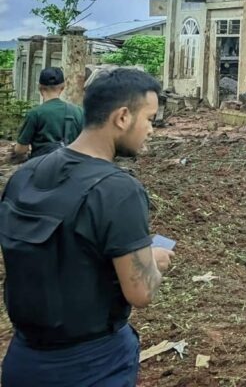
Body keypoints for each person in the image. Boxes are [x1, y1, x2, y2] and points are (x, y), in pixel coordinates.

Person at [0, 68, 174, 386]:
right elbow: (141, 291)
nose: (152, 130)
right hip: (92, 363)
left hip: (23, 359)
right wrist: (154, 259)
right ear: (122, 117)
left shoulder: (26, 175)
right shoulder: (118, 190)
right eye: (149, 119)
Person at [12, 67, 84, 160]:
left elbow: (20, 150)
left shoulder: (34, 114)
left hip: (42, 169)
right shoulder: (79, 111)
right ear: (63, 87)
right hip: (72, 169)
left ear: (40, 87)